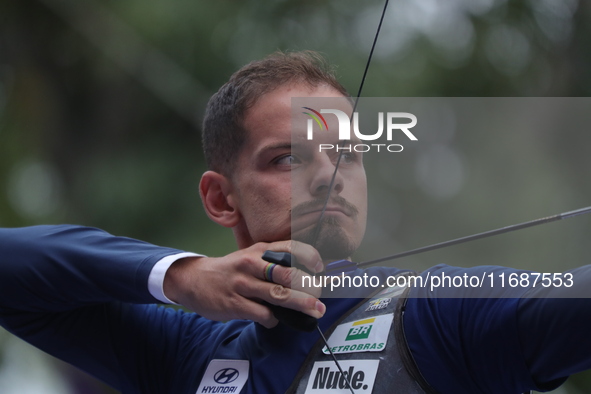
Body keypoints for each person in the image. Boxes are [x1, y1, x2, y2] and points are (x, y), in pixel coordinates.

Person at [1, 51, 591, 394]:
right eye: (288, 157)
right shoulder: (189, 352)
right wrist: (181, 276)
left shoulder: (439, 313)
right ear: (220, 199)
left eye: (347, 155)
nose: (328, 177)